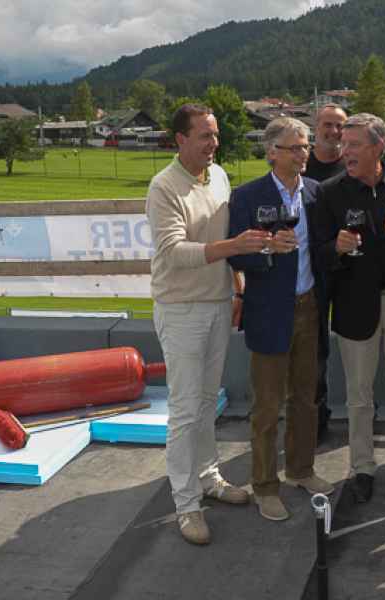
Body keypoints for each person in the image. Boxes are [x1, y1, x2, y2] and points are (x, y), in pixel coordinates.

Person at [146, 104, 269, 545]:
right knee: (184, 411)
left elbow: (220, 245)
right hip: (180, 309)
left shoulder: (218, 176)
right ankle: (186, 505)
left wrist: (236, 290)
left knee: (205, 401)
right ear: (180, 139)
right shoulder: (163, 187)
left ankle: (209, 478)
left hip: (217, 304)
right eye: (204, 135)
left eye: (215, 135)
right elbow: (174, 252)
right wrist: (233, 246)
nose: (214, 143)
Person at [313, 113, 385, 503]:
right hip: (354, 305)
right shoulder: (329, 192)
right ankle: (361, 467)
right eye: (343, 144)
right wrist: (336, 248)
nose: (344, 151)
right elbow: (317, 253)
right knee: (359, 395)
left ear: (379, 147)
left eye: (354, 144)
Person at [228, 117, 335, 521]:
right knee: (268, 407)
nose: (304, 154)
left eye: (305, 146)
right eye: (295, 147)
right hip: (269, 311)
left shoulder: (316, 193)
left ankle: (301, 470)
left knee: (306, 399)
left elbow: (322, 247)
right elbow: (236, 256)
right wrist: (268, 249)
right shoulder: (247, 196)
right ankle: (264, 486)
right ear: (272, 152)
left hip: (310, 307)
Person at [303, 103, 348, 441]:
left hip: (348, 269)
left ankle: (363, 412)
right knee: (314, 350)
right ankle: (315, 420)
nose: (333, 131)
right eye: (327, 125)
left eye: (339, 126)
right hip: (312, 271)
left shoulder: (354, 163)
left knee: (358, 345)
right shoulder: (302, 164)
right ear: (315, 127)